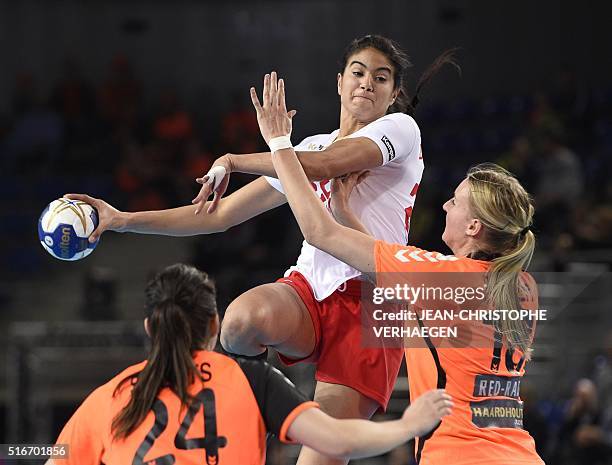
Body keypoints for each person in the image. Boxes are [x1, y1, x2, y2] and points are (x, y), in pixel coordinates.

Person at [66, 35, 458, 465]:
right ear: (339, 81)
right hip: (309, 288)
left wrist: (240, 156)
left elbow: (328, 164)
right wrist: (121, 219)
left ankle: (284, 416)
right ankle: (249, 416)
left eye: (380, 78)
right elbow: (219, 216)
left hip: (370, 301)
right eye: (359, 72)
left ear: (393, 93)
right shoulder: (304, 148)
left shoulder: (400, 130)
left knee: (322, 456)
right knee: (240, 321)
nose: (367, 83)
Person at [254, 72, 545, 464]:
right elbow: (393, 278)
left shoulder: (440, 276)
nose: (445, 207)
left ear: (474, 227)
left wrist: (278, 144)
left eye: (456, 203)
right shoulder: (522, 286)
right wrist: (345, 213)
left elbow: (317, 232)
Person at [45, 263, 452, 465]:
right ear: (215, 324)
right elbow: (339, 441)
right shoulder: (250, 379)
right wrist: (409, 425)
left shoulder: (113, 395)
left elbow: (55, 453)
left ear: (150, 327)